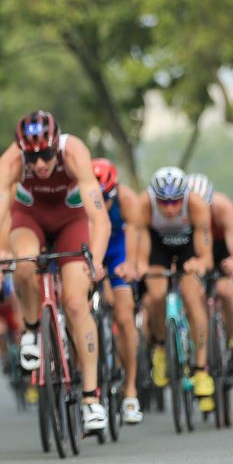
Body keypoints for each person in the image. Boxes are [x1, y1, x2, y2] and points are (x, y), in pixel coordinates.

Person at [0, 111, 110, 432]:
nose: (40, 164)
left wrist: (95, 260)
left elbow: (99, 218)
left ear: (57, 146)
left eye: (47, 155)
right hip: (29, 219)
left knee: (77, 302)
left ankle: (92, 398)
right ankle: (32, 330)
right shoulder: (10, 162)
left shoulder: (75, 153)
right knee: (23, 264)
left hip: (72, 221)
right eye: (33, 156)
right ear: (22, 151)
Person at [134, 167, 216, 409]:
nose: (169, 208)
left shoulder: (197, 205)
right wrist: (139, 265)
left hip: (187, 248)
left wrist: (199, 263)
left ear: (184, 196)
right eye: (164, 202)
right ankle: (160, 346)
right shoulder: (144, 204)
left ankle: (200, 369)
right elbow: (140, 245)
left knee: (192, 299)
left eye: (175, 202)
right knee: (156, 295)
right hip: (158, 247)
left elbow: (206, 255)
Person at [185, 173, 233, 387]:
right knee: (193, 296)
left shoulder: (223, 207)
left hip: (221, 247)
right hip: (196, 248)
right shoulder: (184, 213)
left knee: (226, 291)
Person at [91, 158, 144, 423]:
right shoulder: (80, 198)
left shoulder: (127, 199)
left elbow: (135, 235)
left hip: (118, 249)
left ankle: (131, 390)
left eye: (106, 198)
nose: (103, 204)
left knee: (125, 316)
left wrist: (131, 265)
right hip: (91, 245)